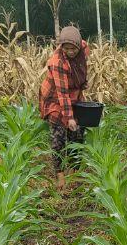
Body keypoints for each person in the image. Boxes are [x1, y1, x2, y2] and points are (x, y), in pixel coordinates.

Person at [38, 25, 90, 190]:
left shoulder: (83, 48)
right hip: (54, 98)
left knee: (78, 134)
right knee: (59, 137)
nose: (71, 52)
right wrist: (69, 118)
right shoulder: (58, 62)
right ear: (61, 47)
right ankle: (60, 175)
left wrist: (82, 82)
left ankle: (74, 171)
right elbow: (62, 93)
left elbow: (82, 67)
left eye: (73, 48)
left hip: (74, 96)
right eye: (66, 48)